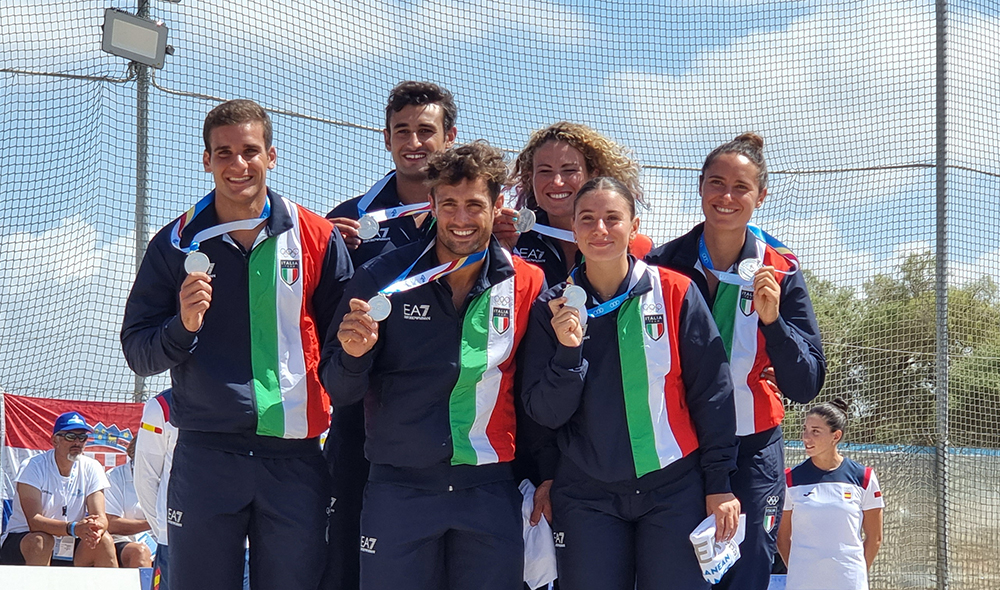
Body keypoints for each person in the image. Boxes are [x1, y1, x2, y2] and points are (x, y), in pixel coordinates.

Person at [121, 99, 354, 590]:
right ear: (205, 160)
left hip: (296, 459)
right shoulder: (176, 243)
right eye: (223, 153)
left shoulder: (315, 236)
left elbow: (345, 347)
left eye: (250, 150)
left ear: (272, 155)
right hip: (207, 455)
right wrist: (182, 326)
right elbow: (138, 351)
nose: (238, 164)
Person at [320, 140, 546, 590]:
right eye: (450, 205)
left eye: (474, 205)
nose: (461, 219)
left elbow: (536, 395)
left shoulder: (527, 282)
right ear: (432, 203)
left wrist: (548, 473)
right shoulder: (382, 276)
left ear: (498, 204)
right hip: (399, 490)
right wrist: (352, 356)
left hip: (487, 490)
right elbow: (338, 389)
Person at [521, 177, 739, 590]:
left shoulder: (676, 292)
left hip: (674, 490)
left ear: (634, 226)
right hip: (586, 495)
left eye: (612, 218)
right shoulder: (551, 307)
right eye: (587, 219)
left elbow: (712, 394)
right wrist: (568, 354)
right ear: (574, 228)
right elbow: (543, 414)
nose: (600, 229)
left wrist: (719, 484)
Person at [645, 132, 826, 590]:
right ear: (700, 186)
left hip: (752, 446)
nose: (727, 196)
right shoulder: (663, 264)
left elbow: (806, 383)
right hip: (678, 447)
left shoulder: (781, 269)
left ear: (760, 196)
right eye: (716, 183)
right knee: (679, 574)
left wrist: (773, 323)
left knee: (746, 574)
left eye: (741, 187)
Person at [322, 80, 457, 590]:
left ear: (449, 136)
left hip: (454, 418)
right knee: (349, 558)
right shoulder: (351, 220)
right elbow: (320, 315)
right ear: (386, 138)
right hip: (364, 415)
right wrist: (325, 251)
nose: (414, 142)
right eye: (403, 131)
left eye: (426, 130)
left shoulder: (476, 222)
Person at [501, 121, 653, 287]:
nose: (557, 182)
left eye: (570, 171)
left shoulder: (637, 248)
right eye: (545, 171)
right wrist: (495, 249)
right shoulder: (511, 236)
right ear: (531, 177)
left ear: (593, 174)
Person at [777, 399, 884, 590]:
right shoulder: (790, 479)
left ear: (836, 436)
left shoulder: (864, 477)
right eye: (805, 429)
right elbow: (782, 538)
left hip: (849, 581)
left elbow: (875, 537)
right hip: (803, 582)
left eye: (815, 431)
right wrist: (800, 570)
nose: (806, 437)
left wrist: (855, 572)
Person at [0, 411, 116, 567]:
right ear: (55, 440)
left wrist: (96, 527)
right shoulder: (32, 466)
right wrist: (74, 528)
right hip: (25, 539)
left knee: (104, 541)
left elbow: (100, 516)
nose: (77, 442)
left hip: (70, 540)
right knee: (41, 541)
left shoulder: (92, 467)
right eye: (70, 437)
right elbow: (34, 522)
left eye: (82, 438)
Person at [134, 389, 177, 589]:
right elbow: (145, 480)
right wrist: (164, 529)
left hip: (238, 541)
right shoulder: (162, 405)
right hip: (175, 539)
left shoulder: (244, 399)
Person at [105, 437, 153, 568]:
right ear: (135, 452)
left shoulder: (168, 478)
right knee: (140, 552)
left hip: (160, 541)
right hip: (123, 540)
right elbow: (111, 524)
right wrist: (153, 524)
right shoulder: (114, 477)